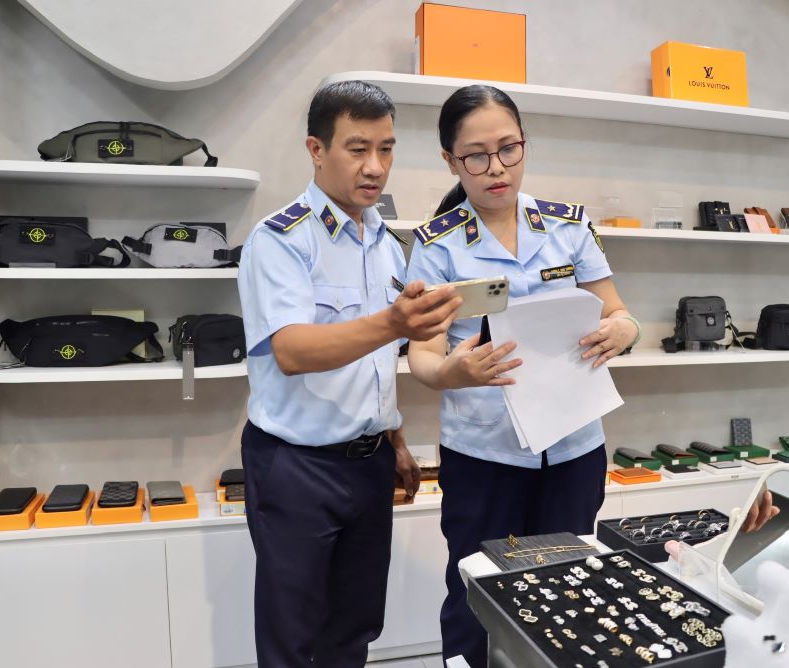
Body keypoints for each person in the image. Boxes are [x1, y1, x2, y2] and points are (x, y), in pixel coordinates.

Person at [404, 84, 642, 667]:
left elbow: (619, 311)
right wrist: (453, 372)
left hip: (573, 447)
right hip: (484, 455)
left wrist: (624, 331)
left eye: (509, 149)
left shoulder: (567, 225)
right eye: (477, 156)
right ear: (450, 161)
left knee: (568, 589)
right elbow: (423, 357)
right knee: (477, 595)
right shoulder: (436, 247)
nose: (496, 168)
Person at [237, 80, 461, 668]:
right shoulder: (280, 240)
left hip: (369, 465)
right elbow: (292, 350)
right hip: (296, 468)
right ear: (316, 149)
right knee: (294, 636)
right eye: (357, 148)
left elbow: (370, 361)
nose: (375, 167)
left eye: (386, 149)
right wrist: (395, 322)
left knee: (355, 626)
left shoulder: (384, 243)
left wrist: (395, 437)